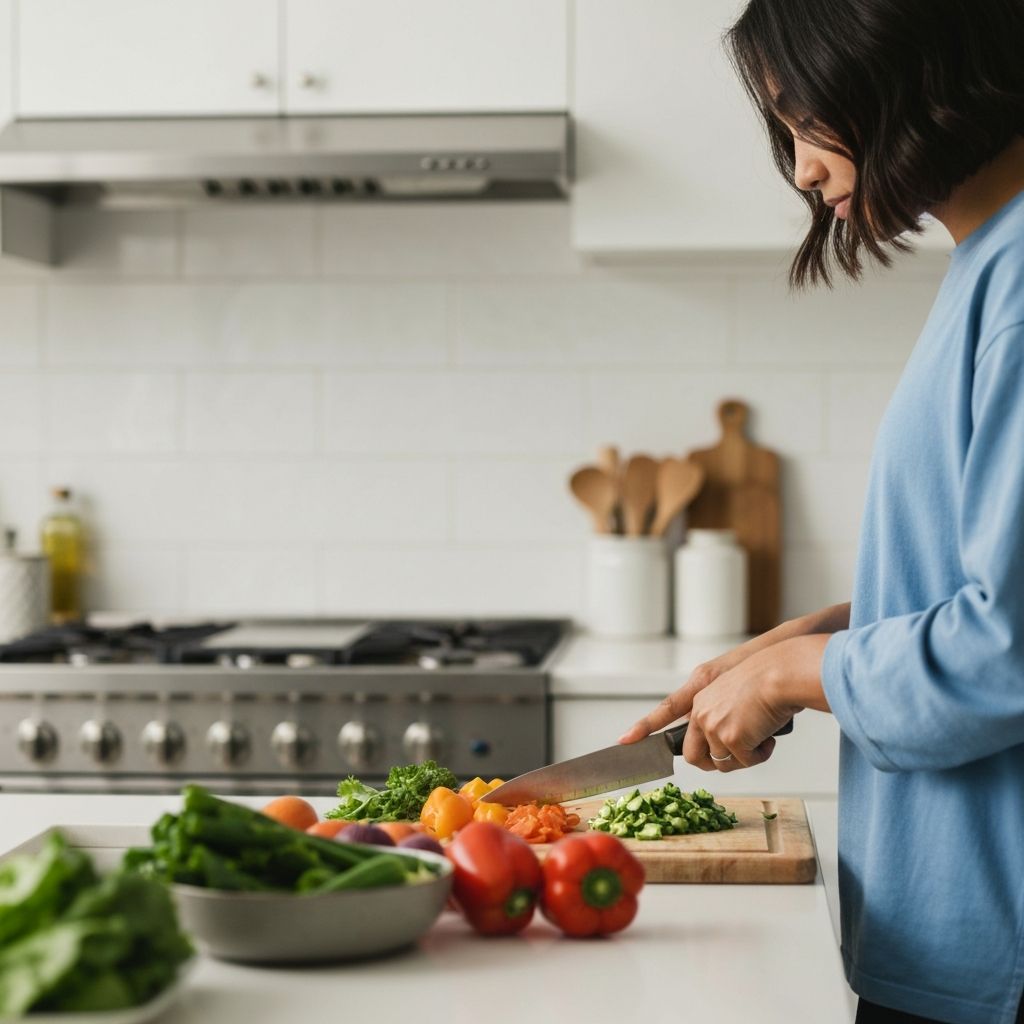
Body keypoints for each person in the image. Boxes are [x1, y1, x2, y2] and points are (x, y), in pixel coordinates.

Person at [618, 2, 1024, 1022]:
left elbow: (1011, 647)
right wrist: (800, 645)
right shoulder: (989, 268)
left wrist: (800, 675)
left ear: (905, 65)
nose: (801, 170)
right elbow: (977, 583)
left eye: (805, 124)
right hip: (949, 929)